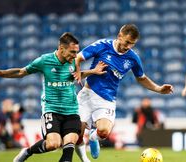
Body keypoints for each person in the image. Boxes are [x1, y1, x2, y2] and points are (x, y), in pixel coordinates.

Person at [0, 32, 107, 162]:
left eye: (76, 52)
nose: (76, 56)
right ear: (61, 49)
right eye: (72, 52)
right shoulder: (45, 61)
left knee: (69, 147)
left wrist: (93, 72)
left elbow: (77, 74)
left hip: (72, 110)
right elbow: (21, 72)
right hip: (52, 110)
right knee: (53, 144)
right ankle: (27, 151)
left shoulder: (74, 61)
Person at [74, 24, 173, 161]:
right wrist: (79, 72)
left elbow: (141, 78)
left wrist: (159, 89)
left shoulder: (133, 58)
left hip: (107, 99)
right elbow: (78, 57)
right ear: (119, 36)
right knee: (76, 133)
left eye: (132, 44)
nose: (128, 47)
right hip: (87, 94)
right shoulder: (102, 45)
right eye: (127, 42)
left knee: (103, 132)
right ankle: (85, 160)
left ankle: (93, 137)